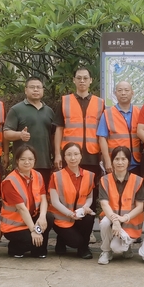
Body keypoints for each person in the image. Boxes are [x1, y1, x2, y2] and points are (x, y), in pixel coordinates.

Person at [53, 68, 105, 208]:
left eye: (85, 78)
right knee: (67, 189)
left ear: (91, 80)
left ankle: (87, 218)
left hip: (92, 155)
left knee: (90, 189)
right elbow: (59, 129)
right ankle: (68, 216)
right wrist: (58, 154)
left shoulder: (100, 103)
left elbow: (103, 132)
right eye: (79, 78)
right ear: (74, 80)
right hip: (70, 155)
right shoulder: (65, 101)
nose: (82, 81)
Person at [97, 146, 144, 265]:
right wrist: (115, 220)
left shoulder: (138, 180)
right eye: (116, 159)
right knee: (104, 223)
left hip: (130, 222)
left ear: (129, 161)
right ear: (112, 161)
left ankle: (126, 245)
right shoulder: (104, 180)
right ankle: (106, 251)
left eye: (123, 159)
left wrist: (124, 218)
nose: (120, 162)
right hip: (112, 218)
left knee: (117, 248)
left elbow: (140, 207)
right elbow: (104, 203)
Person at [4, 77, 56, 188]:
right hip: (23, 163)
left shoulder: (49, 111)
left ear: (43, 90)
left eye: (38, 87)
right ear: (25, 90)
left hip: (44, 163)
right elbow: (6, 133)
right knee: (22, 193)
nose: (35, 90)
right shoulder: (16, 110)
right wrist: (20, 135)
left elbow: (52, 137)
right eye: (32, 87)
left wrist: (56, 156)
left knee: (41, 194)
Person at [47, 142, 96, 259]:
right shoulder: (56, 176)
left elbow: (89, 197)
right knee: (75, 242)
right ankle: (62, 239)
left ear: (81, 156)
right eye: (69, 154)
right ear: (64, 157)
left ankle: (84, 248)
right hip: (62, 219)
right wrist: (70, 214)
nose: (73, 158)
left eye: (76, 154)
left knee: (89, 218)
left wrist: (86, 207)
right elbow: (55, 202)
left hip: (79, 216)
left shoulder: (89, 175)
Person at [0, 145, 49, 258]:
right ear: (17, 160)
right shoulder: (10, 181)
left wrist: (42, 216)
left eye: (30, 159)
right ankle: (14, 248)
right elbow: (21, 209)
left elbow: (43, 198)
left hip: (31, 218)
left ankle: (38, 250)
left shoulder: (37, 175)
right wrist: (34, 231)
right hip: (14, 226)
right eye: (23, 159)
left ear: (35, 160)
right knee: (30, 240)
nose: (27, 162)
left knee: (48, 217)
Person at [98, 81, 142, 175]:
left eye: (126, 90)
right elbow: (102, 138)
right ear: (115, 93)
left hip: (136, 163)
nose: (123, 93)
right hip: (116, 163)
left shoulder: (139, 112)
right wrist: (107, 161)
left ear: (132, 92)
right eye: (120, 90)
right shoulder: (108, 113)